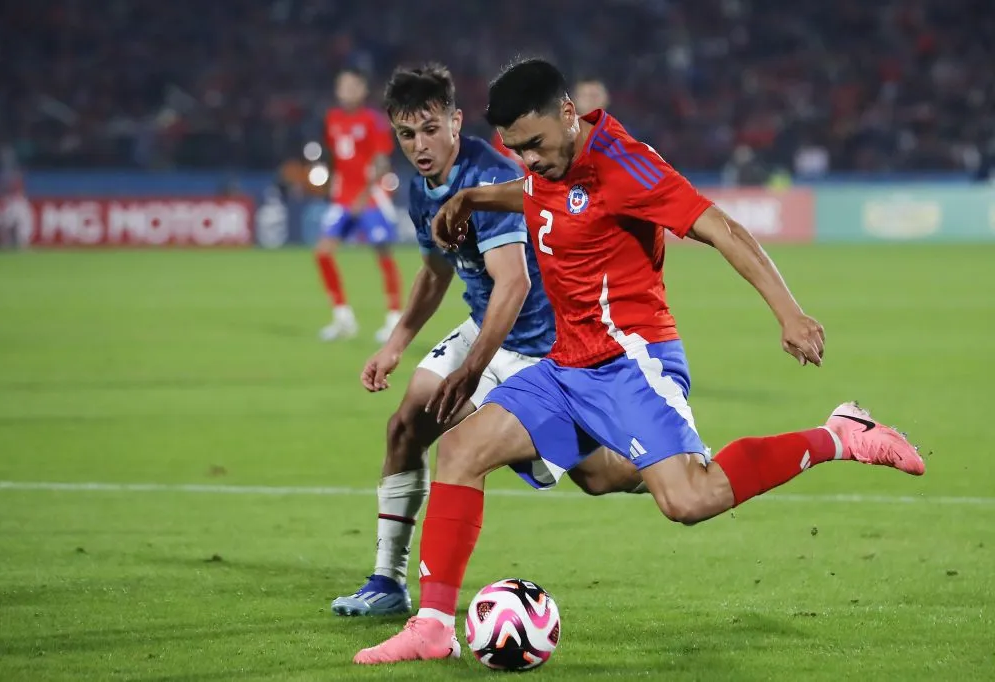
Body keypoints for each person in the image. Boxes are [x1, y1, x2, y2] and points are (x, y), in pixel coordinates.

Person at [353, 58, 925, 665]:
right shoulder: (545, 164)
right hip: (565, 364)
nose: (531, 160)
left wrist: (790, 313)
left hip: (631, 361)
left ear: (568, 114)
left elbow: (723, 228)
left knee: (688, 500)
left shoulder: (625, 165)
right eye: (517, 149)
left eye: (538, 145)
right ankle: (435, 627)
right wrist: (473, 195)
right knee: (475, 452)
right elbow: (538, 192)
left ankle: (839, 434)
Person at [332, 64, 644, 618]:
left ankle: (668, 459)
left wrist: (471, 371)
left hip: (544, 346)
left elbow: (516, 284)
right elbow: (435, 271)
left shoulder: (487, 175)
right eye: (407, 135)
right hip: (486, 328)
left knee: (600, 476)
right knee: (406, 426)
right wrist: (397, 343)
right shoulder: (421, 189)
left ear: (456, 121)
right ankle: (387, 582)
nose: (420, 145)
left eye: (430, 129)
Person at [315, 67, 404, 343]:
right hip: (343, 198)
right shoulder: (332, 119)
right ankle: (343, 318)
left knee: (382, 253)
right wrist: (331, 186)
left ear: (363, 90)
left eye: (352, 86)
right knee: (323, 253)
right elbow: (334, 155)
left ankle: (394, 318)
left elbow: (381, 162)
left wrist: (363, 196)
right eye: (342, 86)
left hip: (371, 198)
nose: (346, 91)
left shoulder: (373, 121)